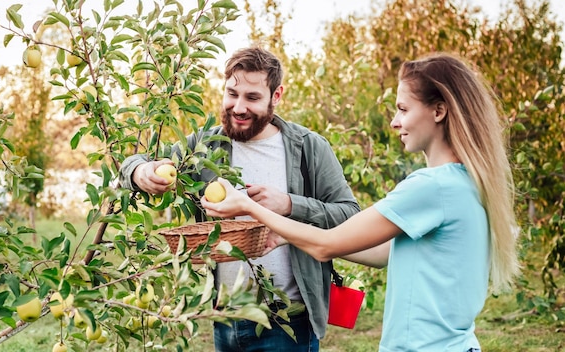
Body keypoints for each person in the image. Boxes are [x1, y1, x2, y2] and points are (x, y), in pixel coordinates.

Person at [201, 52, 520, 352]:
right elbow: (383, 253)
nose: (395, 122)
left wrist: (247, 205)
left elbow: (327, 245)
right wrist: (287, 236)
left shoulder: (431, 187)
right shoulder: (464, 181)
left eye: (403, 109)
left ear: (438, 111)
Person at [119, 46, 360, 351]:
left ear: (277, 96)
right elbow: (134, 164)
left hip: (286, 322)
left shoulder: (308, 147)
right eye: (232, 94)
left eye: (253, 97)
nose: (239, 107)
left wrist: (289, 204)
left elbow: (351, 215)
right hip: (224, 317)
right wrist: (141, 172)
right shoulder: (206, 145)